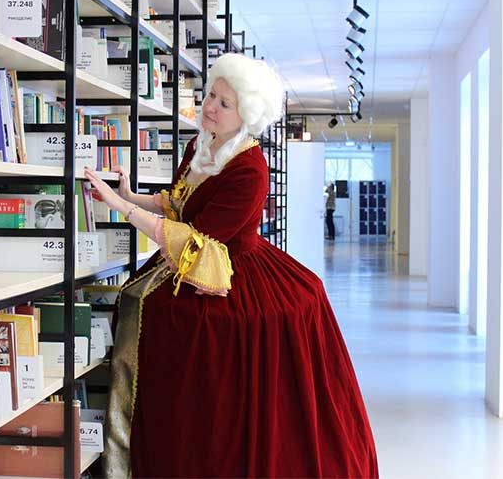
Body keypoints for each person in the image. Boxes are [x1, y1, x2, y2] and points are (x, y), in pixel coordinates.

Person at [83, 53, 378, 478]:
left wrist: (122, 208)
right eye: (210, 96)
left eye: (224, 103)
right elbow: (179, 205)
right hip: (192, 258)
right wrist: (131, 195)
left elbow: (199, 243)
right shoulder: (200, 145)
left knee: (193, 333)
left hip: (226, 266)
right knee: (144, 304)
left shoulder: (251, 169)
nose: (210, 107)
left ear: (247, 114)